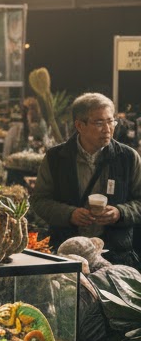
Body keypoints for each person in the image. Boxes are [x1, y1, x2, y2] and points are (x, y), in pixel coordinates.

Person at [32, 92, 141, 267]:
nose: (107, 129)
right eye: (99, 123)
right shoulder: (56, 158)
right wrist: (69, 214)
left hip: (116, 256)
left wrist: (120, 212)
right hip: (67, 256)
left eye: (111, 121)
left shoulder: (127, 157)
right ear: (79, 125)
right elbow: (39, 201)